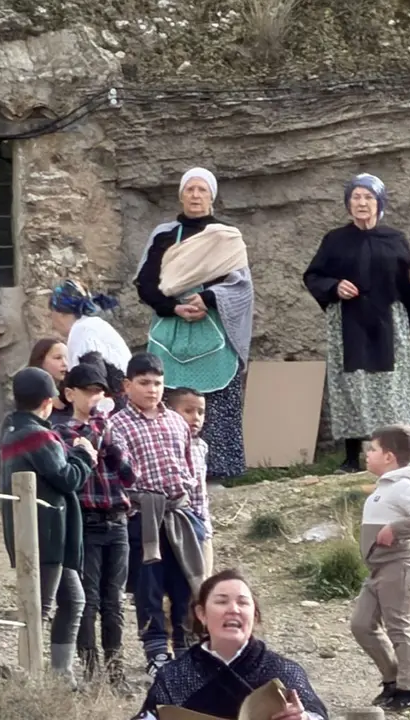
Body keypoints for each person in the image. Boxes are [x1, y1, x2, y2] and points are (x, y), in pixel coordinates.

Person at [303, 174, 410, 473]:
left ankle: (396, 456)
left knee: (389, 389)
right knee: (351, 386)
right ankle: (351, 458)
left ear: (379, 203)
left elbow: (408, 286)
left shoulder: (395, 239)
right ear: (348, 203)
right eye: (356, 197)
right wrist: (335, 286)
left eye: (368, 197)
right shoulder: (335, 240)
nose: (362, 203)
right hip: (349, 324)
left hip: (387, 323)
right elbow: (313, 276)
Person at [134, 167, 254, 482]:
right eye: (190, 190)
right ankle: (170, 469)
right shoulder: (162, 235)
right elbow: (145, 284)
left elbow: (241, 286)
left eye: (202, 190)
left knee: (214, 403)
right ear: (181, 195)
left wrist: (209, 299)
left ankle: (216, 473)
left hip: (211, 328)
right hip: (170, 329)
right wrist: (173, 307)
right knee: (167, 396)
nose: (196, 196)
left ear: (211, 196)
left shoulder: (227, 236)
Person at [0, 366, 97, 686]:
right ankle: (30, 676)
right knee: (38, 608)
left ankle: (61, 676)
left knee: (73, 600)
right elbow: (66, 478)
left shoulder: (12, 429)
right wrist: (84, 456)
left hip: (39, 532)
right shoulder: (38, 435)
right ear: (48, 401)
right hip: (48, 535)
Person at [111, 352, 206, 675]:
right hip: (143, 518)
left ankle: (185, 648)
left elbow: (191, 471)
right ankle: (155, 651)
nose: (152, 390)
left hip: (180, 513)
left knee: (185, 584)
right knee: (148, 586)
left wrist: (199, 518)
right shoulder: (117, 425)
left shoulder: (176, 422)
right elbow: (118, 475)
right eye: (144, 383)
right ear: (127, 385)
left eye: (157, 383)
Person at [134, 569, 329, 720]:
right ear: (201, 614)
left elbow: (317, 714)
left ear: (254, 615)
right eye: (222, 602)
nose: (233, 609)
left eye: (243, 603)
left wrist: (302, 717)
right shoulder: (174, 675)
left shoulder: (283, 670)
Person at [54, 362, 136, 688]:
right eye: (88, 391)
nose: (95, 398)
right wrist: (91, 434)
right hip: (86, 524)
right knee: (87, 600)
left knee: (114, 601)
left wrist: (108, 439)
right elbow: (71, 478)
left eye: (99, 392)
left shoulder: (112, 429)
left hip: (117, 522)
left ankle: (116, 673)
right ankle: (90, 671)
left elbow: (129, 475)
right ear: (70, 393)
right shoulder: (61, 432)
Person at [350, 424, 410, 712]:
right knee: (362, 625)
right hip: (378, 571)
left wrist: (395, 528)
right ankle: (393, 680)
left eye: (373, 449)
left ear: (389, 457)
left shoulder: (403, 486)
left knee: (399, 629)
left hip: (399, 566)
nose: (367, 453)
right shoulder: (384, 487)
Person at [167, 387, 213, 573]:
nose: (196, 418)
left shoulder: (201, 446)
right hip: (177, 520)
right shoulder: (168, 443)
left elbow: (200, 491)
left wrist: (205, 524)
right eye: (188, 411)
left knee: (203, 580)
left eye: (201, 412)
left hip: (200, 519)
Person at [49, 279, 132, 376]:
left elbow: (90, 377)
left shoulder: (81, 331)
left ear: (60, 314)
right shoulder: (93, 325)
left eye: (51, 314)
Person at [28, 338, 73, 426]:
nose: (65, 363)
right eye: (58, 358)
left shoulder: (72, 392)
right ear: (40, 361)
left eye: (67, 358)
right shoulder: (30, 397)